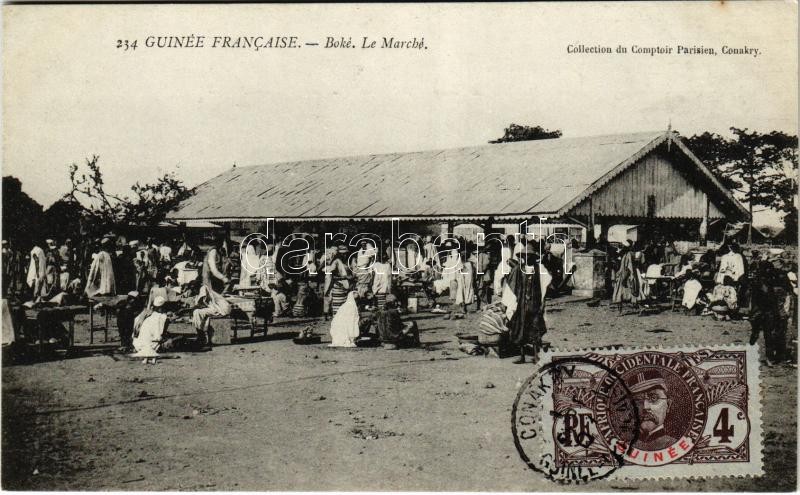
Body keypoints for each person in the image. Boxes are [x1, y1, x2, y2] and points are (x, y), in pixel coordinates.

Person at [503, 242, 547, 364]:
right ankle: (522, 356)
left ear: (533, 257)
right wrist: (509, 303)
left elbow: (545, 286)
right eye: (525, 256)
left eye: (529, 256)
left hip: (534, 304)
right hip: (521, 304)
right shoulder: (518, 269)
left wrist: (543, 303)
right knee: (519, 329)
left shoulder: (539, 269)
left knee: (535, 329)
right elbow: (510, 287)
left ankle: (536, 356)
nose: (527, 258)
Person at [192, 236, 232, 347]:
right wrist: (224, 278)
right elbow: (214, 270)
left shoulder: (218, 252)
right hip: (209, 285)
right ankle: (203, 335)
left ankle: (205, 336)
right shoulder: (213, 252)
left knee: (208, 309)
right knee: (210, 307)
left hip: (213, 286)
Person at [749, 261, 791, 366]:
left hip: (764, 311)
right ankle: (772, 356)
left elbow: (754, 300)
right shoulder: (769, 281)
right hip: (769, 311)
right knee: (773, 334)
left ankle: (768, 357)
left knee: (764, 334)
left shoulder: (759, 281)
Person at [627, 369, 677, 450]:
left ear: (668, 404)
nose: (645, 407)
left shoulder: (675, 446)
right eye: (638, 401)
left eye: (654, 398)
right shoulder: (624, 447)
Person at [132, 295, 169, 364]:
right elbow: (160, 331)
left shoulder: (146, 313)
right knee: (155, 339)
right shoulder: (161, 317)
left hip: (141, 341)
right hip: (153, 341)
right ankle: (153, 358)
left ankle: (146, 358)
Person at [326, 245, 352, 316]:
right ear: (339, 254)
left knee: (344, 309)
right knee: (338, 310)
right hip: (338, 287)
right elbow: (333, 277)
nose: (345, 255)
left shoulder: (345, 262)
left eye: (345, 253)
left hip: (345, 287)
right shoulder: (336, 262)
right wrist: (345, 277)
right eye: (343, 254)